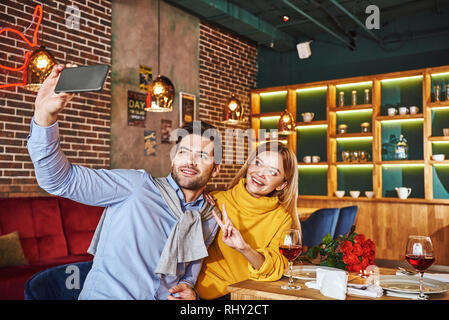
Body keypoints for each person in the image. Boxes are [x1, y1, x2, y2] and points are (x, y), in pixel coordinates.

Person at [27, 64, 222, 300]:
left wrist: (189, 288)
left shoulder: (208, 217)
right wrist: (44, 115)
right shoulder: (136, 187)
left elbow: (190, 270)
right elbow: (60, 180)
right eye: (183, 152)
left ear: (216, 168)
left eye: (202, 156)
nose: (190, 161)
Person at [194, 141, 300, 300]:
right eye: (257, 163)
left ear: (282, 185)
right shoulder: (214, 200)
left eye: (272, 172)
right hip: (202, 294)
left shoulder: (281, 218)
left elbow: (276, 268)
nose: (260, 173)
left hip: (246, 295)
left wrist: (244, 249)